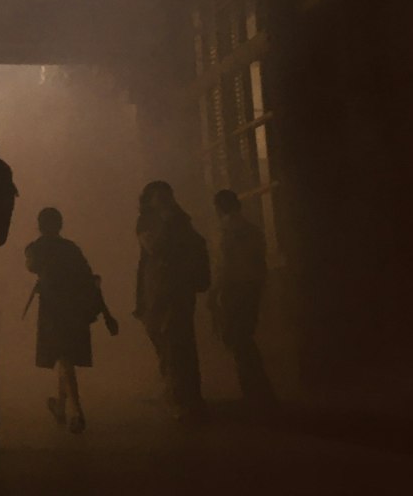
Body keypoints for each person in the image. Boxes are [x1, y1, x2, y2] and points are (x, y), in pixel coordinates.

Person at [25, 207, 118, 435]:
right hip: (75, 310)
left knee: (63, 357)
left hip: (54, 310)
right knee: (64, 357)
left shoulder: (37, 248)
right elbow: (90, 279)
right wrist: (106, 313)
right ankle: (60, 405)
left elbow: (32, 266)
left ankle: (76, 411)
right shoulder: (71, 249)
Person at [134, 180, 210, 422]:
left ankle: (183, 399)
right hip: (159, 291)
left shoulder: (178, 221)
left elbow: (170, 248)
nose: (164, 200)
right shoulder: (150, 222)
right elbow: (154, 248)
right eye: (159, 196)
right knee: (168, 342)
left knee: (177, 344)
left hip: (173, 291)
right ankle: (178, 394)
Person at [209, 189, 276, 409]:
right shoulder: (253, 230)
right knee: (243, 337)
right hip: (250, 288)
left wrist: (215, 292)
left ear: (218, 208)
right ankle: (257, 390)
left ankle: (256, 391)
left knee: (237, 339)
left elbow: (223, 266)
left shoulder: (225, 232)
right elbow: (259, 263)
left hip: (233, 289)